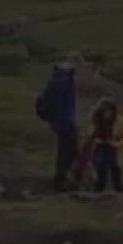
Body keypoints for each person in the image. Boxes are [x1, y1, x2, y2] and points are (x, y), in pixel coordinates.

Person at [35, 54, 81, 191]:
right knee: (69, 150)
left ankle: (62, 177)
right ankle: (61, 179)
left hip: (63, 121)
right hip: (64, 121)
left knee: (67, 149)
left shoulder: (62, 77)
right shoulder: (63, 79)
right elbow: (59, 103)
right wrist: (64, 121)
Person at [82, 99, 123, 194]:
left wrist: (116, 144)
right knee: (100, 167)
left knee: (116, 169)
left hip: (114, 148)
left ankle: (118, 190)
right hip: (100, 146)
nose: (107, 114)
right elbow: (90, 133)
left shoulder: (121, 121)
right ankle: (99, 189)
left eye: (109, 111)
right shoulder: (96, 119)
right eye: (105, 111)